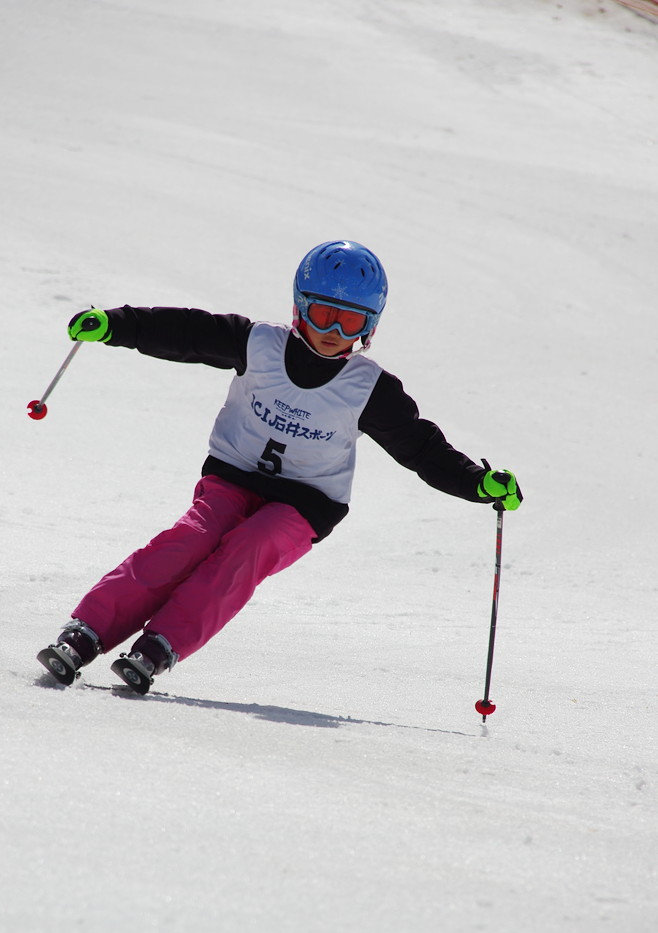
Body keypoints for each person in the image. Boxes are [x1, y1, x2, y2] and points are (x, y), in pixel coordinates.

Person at [37, 240, 523, 694]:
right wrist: (117, 325)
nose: (333, 333)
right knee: (192, 539)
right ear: (299, 307)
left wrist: (478, 483)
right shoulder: (257, 344)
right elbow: (185, 332)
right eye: (324, 314)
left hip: (307, 503)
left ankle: (159, 645)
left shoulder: (368, 387)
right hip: (232, 476)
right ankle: (87, 632)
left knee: (251, 545)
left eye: (350, 323)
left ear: (369, 328)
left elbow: (421, 449)